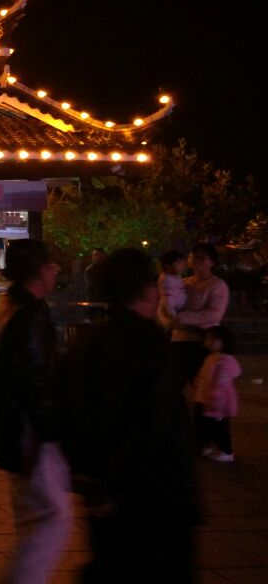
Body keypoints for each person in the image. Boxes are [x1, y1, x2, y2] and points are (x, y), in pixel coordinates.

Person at [65, 247, 199, 583]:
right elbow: (152, 427)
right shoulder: (153, 348)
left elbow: (70, 415)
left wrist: (93, 482)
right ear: (146, 290)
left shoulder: (88, 344)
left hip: (105, 497)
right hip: (156, 499)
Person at [0, 238, 72, 584]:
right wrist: (50, 433)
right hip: (29, 435)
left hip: (12, 431)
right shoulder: (29, 316)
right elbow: (34, 385)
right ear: (39, 271)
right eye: (51, 266)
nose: (54, 271)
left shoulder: (8, 305)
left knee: (38, 518)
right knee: (53, 518)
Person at [171, 242, 230, 390]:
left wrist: (182, 318)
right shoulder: (183, 283)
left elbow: (213, 315)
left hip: (201, 343)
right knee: (173, 389)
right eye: (193, 257)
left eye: (201, 257)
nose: (196, 260)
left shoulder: (217, 285)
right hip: (177, 340)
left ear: (212, 262)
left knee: (201, 389)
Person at [193, 325, 241, 463]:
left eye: (213, 338)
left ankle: (226, 450)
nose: (209, 341)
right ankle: (207, 446)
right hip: (205, 399)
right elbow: (203, 379)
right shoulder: (211, 358)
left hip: (218, 404)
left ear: (224, 341)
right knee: (205, 426)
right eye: (208, 338)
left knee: (220, 429)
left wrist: (215, 404)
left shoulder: (224, 361)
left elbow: (220, 386)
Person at [156, 249, 188, 332]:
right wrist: (172, 315)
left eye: (182, 263)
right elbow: (167, 299)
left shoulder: (174, 277)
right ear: (167, 265)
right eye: (178, 264)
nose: (182, 266)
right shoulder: (166, 279)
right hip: (173, 311)